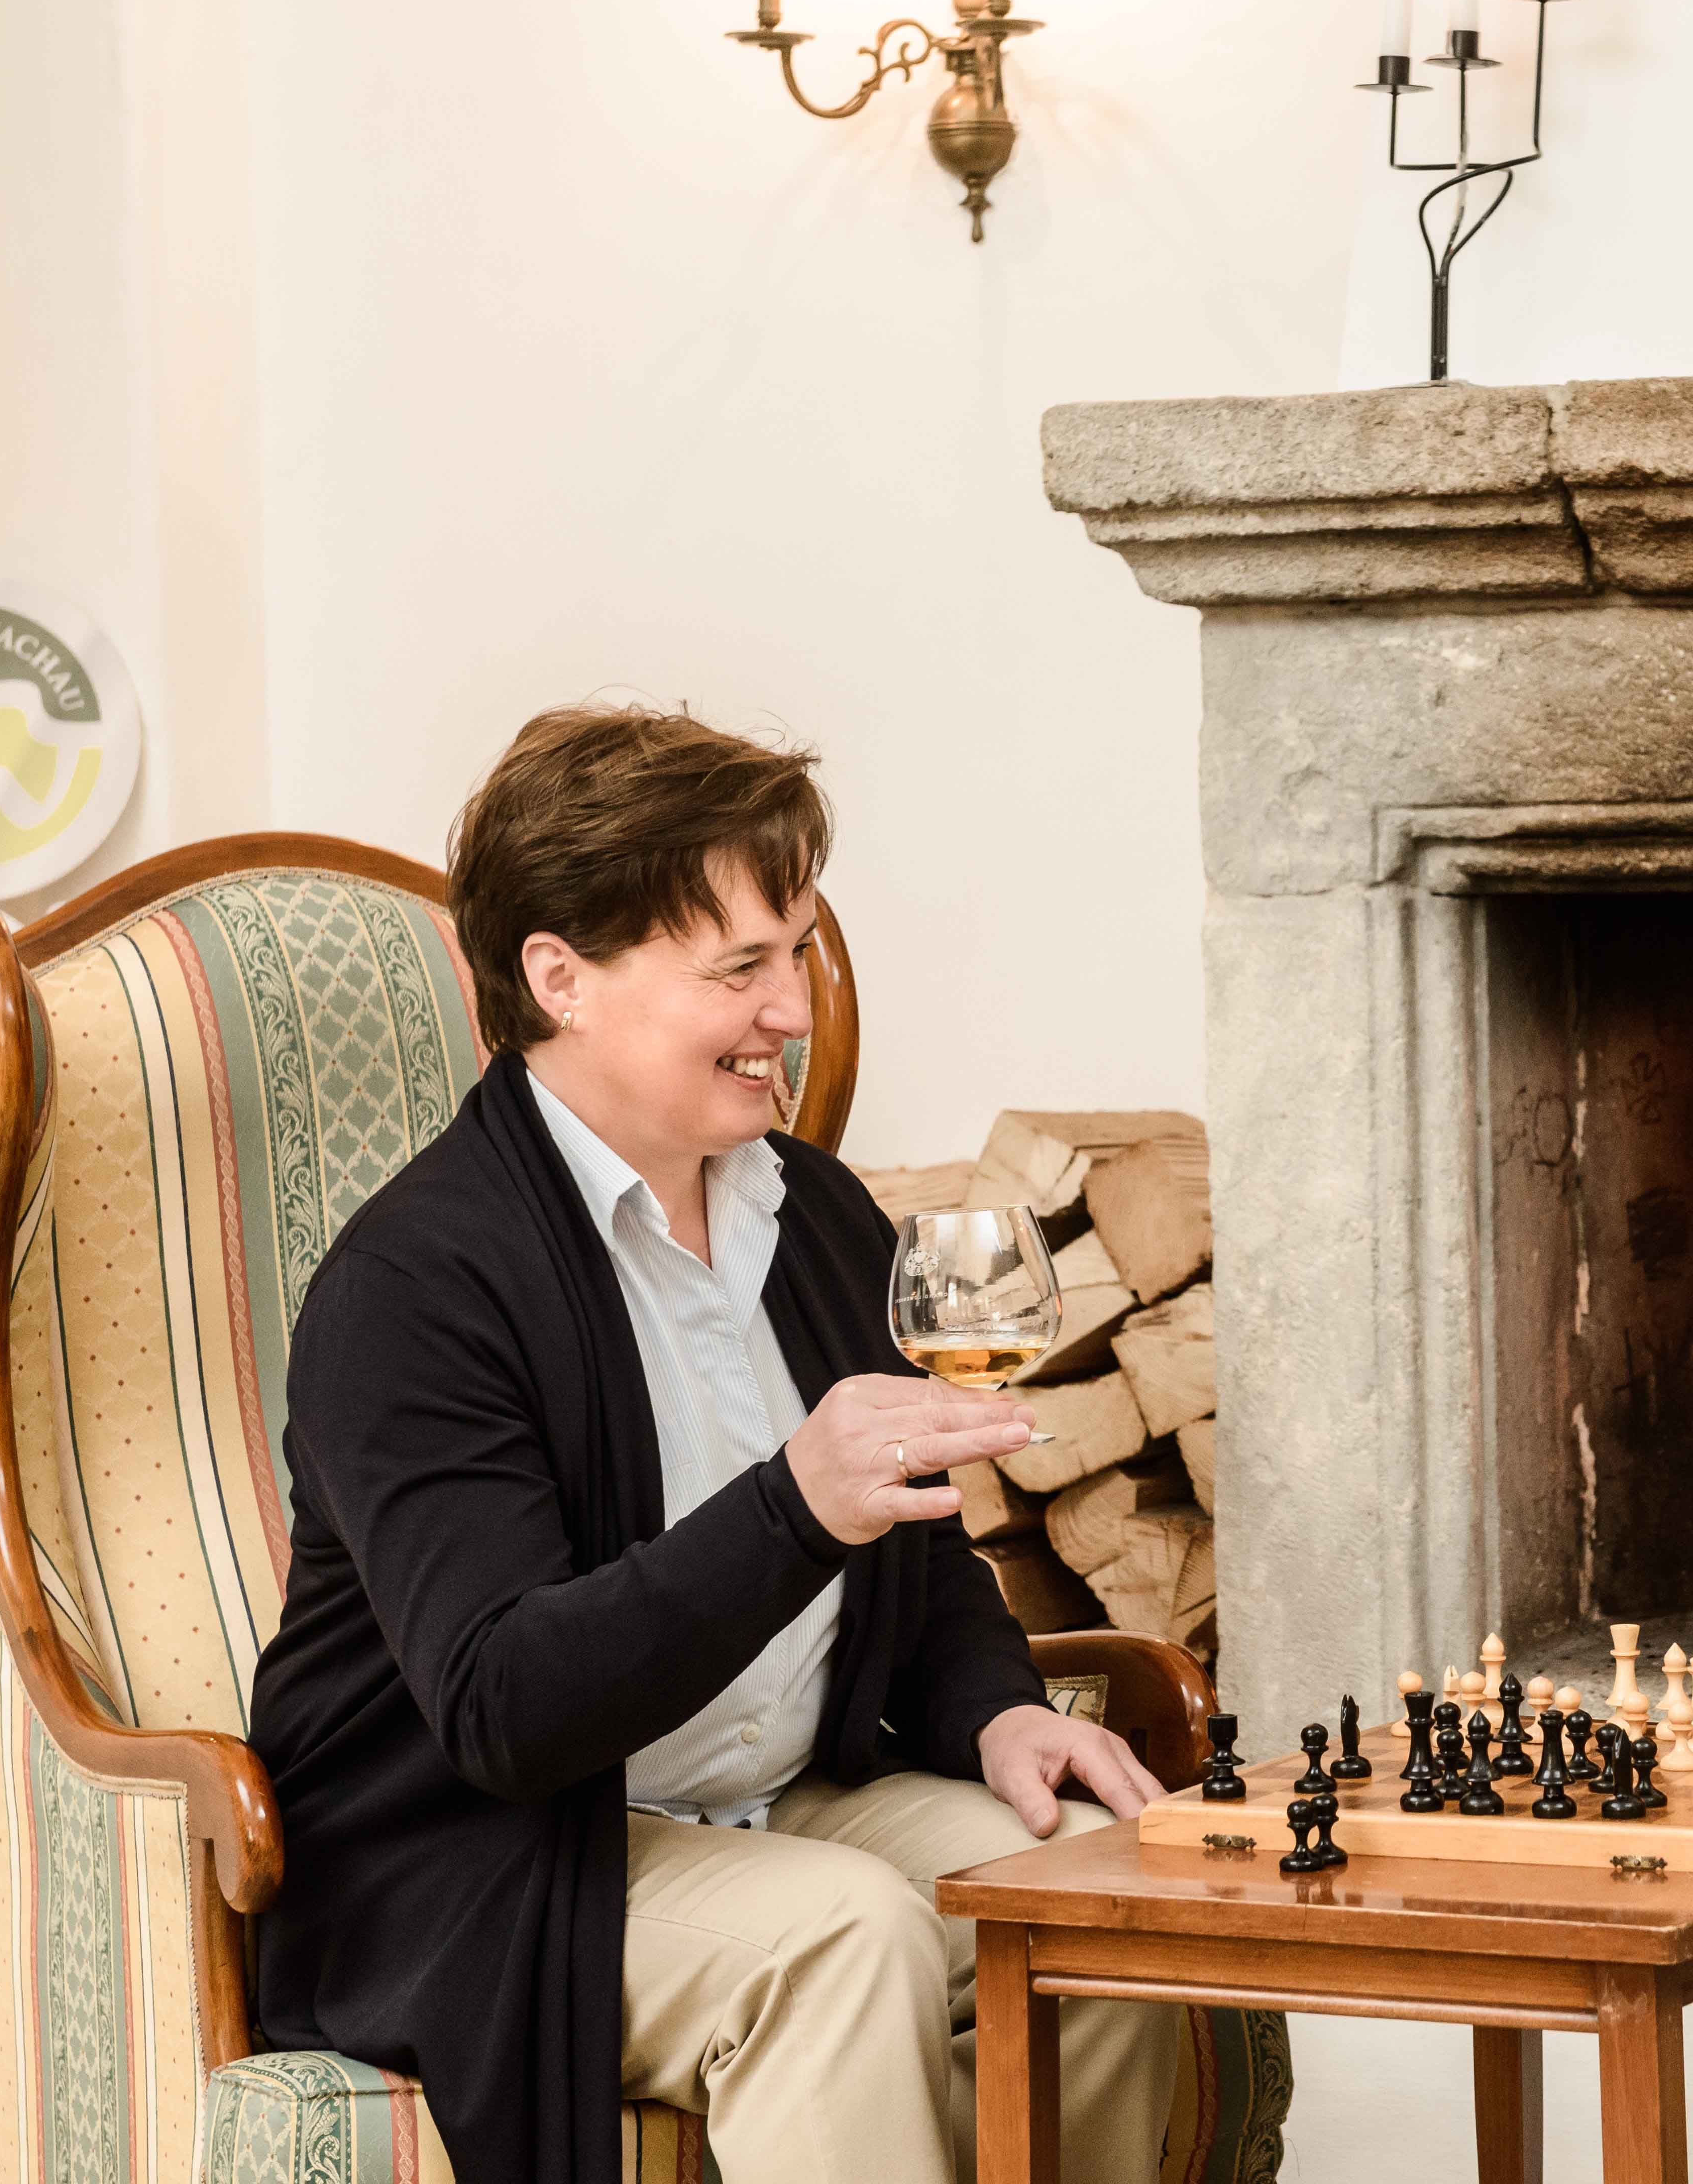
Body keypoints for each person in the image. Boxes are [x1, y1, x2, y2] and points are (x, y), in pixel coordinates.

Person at [246, 705, 1178, 2184]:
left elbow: (920, 1553)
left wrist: (999, 1711)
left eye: (794, 952)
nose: (792, 1010)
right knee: (844, 1939)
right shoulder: (416, 1285)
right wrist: (795, 1506)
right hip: (495, 1851)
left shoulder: (813, 1214)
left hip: (785, 1802)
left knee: (1097, 1891)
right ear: (560, 978)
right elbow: (501, 1706)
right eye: (739, 968)